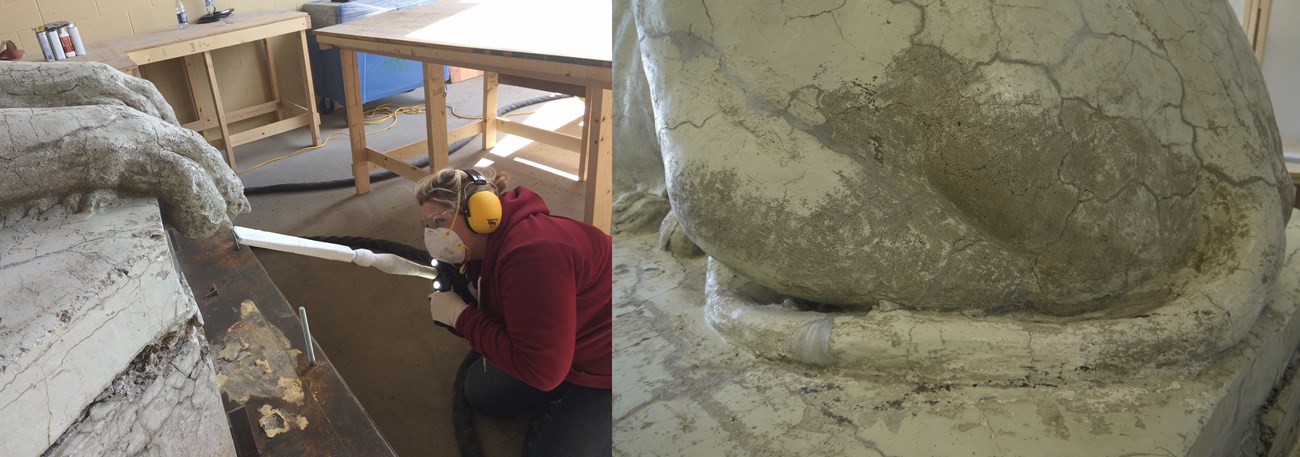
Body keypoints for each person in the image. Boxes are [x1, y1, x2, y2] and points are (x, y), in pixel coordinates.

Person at [417, 167, 611, 456]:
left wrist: (461, 317)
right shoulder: (484, 248)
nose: (433, 235)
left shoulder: (533, 256)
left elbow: (543, 373)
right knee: (482, 393)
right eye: (428, 226)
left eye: (440, 221)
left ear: (481, 213)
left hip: (610, 362)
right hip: (569, 345)